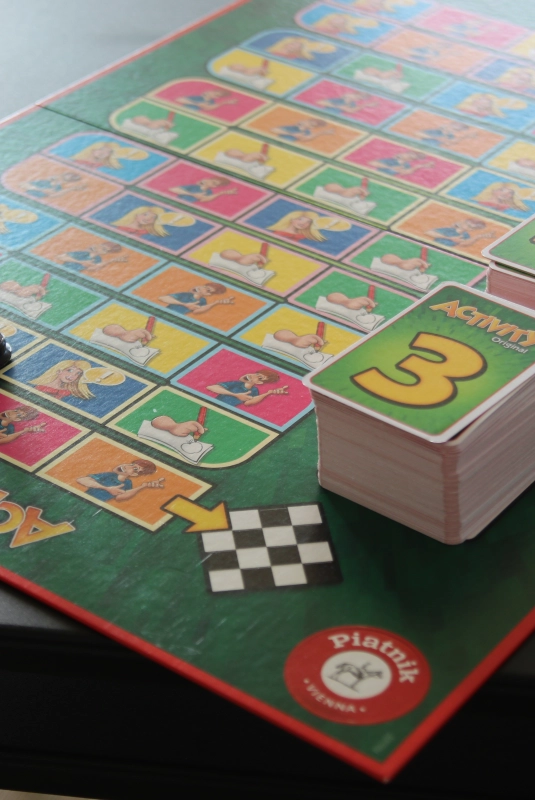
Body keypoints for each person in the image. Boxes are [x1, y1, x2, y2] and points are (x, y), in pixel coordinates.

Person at [77, 460, 164, 503]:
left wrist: (143, 486)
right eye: (131, 464)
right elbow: (82, 480)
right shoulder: (109, 474)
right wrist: (107, 488)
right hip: (82, 499)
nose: (127, 466)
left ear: (134, 474)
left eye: (135, 468)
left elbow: (120, 498)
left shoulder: (127, 483)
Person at [207, 368, 288, 407]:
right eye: (257, 374)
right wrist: (236, 395)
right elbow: (211, 387)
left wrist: (268, 393)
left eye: (259, 377)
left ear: (259, 382)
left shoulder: (254, 390)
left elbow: (249, 402)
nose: (253, 376)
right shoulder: (236, 383)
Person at [268, 210, 350, 243]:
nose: (303, 223)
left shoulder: (303, 236)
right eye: (300, 219)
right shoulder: (278, 233)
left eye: (308, 222)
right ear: (291, 219)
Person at [111, 207, 194, 237]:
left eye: (153, 217)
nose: (148, 219)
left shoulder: (146, 232)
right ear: (136, 214)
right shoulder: (120, 227)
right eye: (145, 214)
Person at [159, 282, 234, 315]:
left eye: (208, 290)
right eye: (205, 287)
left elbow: (197, 311)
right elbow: (163, 298)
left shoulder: (202, 300)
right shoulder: (185, 295)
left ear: (208, 294)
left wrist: (216, 303)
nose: (202, 288)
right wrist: (185, 304)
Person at [55, 241, 128, 273]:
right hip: (61, 270)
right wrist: (81, 262)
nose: (100, 249)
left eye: (105, 250)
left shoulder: (98, 258)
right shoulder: (84, 253)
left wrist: (111, 261)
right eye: (102, 247)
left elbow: (91, 269)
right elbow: (61, 257)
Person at [72, 141, 148, 171]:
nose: (104, 153)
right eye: (101, 149)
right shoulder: (77, 161)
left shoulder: (102, 165)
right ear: (93, 149)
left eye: (108, 152)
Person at [427, 218, 496, 247]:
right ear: (463, 223)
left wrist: (479, 236)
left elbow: (464, 244)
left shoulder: (465, 235)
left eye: (473, 228)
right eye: (468, 225)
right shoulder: (450, 230)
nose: (470, 228)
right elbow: (429, 232)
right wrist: (450, 238)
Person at [456, 93, 527, 119]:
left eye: (488, 101)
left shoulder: (489, 115)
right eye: (480, 99)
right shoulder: (464, 109)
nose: (481, 101)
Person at [169, 177, 237, 203]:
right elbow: (173, 189)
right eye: (213, 181)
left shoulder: (209, 192)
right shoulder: (194, 187)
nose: (213, 184)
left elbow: (204, 199)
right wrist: (192, 194)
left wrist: (221, 193)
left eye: (215, 184)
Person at [21, 171, 87, 198]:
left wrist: (71, 189)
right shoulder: (44, 182)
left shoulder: (58, 187)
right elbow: (23, 184)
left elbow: (53, 195)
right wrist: (42, 190)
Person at [369, 150, 434, 176]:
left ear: (410, 160)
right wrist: (391, 167)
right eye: (408, 154)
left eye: (410, 156)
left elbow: (405, 172)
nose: (406, 155)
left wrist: (419, 166)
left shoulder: (406, 165)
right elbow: (372, 162)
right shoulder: (391, 160)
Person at [266, 37, 336, 61]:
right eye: (293, 43)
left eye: (296, 46)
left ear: (299, 49)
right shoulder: (272, 50)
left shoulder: (290, 57)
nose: (292, 45)